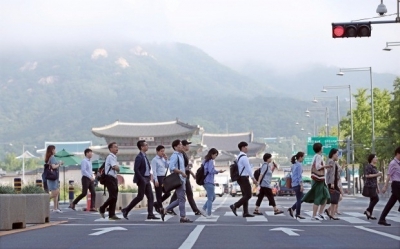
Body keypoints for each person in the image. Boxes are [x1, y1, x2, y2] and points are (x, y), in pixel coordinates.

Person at [122, 140, 159, 220]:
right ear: (142, 147)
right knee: (140, 197)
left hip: (147, 179)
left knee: (151, 197)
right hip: (142, 179)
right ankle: (126, 210)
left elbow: (146, 168)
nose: (147, 146)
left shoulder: (144, 156)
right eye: (146, 145)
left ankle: (150, 214)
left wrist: (149, 176)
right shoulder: (139, 157)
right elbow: (136, 169)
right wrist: (141, 179)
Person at [161, 139, 192, 223]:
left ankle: (165, 210)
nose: (182, 146)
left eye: (182, 144)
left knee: (181, 199)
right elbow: (171, 168)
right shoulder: (175, 155)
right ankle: (183, 217)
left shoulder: (180, 155)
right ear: (175, 147)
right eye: (180, 145)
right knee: (182, 199)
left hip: (182, 179)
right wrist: (181, 172)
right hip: (178, 179)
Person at [169, 140, 203, 216]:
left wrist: (190, 173)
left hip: (184, 176)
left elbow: (184, 166)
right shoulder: (177, 155)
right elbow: (173, 167)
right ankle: (188, 213)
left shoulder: (181, 155)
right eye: (187, 145)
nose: (188, 146)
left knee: (180, 196)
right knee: (185, 195)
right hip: (181, 177)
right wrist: (182, 173)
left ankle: (167, 209)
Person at [302, 143, 331, 220]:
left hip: (321, 179)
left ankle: (320, 213)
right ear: (320, 148)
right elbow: (318, 167)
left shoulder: (316, 156)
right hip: (318, 180)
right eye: (322, 147)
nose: (323, 148)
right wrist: (326, 166)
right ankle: (314, 215)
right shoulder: (318, 156)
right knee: (318, 197)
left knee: (326, 195)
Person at [230, 141, 258, 218]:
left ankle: (245, 212)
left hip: (240, 178)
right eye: (246, 147)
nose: (247, 148)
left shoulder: (238, 157)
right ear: (242, 148)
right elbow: (248, 168)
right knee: (249, 195)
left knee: (245, 195)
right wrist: (253, 178)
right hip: (244, 178)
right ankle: (235, 205)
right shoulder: (244, 157)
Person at [378, 146, 400, 226]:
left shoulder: (399, 163)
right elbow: (389, 175)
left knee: (390, 203)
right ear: (398, 154)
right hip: (396, 185)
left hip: (399, 185)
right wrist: (385, 186)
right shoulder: (393, 163)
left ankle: (382, 218)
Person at [99, 142, 121, 220]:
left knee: (114, 197)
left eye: (117, 147)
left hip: (113, 178)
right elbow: (115, 167)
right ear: (110, 149)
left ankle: (112, 214)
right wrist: (118, 168)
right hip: (109, 178)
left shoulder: (114, 157)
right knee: (113, 196)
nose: (116, 148)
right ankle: (102, 208)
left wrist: (117, 168)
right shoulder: (110, 157)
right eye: (115, 147)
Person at [203, 148, 225, 218]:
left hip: (205, 181)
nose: (215, 157)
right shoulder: (211, 161)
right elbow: (211, 170)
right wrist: (219, 171)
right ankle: (208, 214)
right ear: (212, 154)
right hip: (209, 181)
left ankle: (203, 208)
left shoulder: (205, 161)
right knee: (210, 198)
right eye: (215, 155)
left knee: (213, 197)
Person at [151, 145, 172, 214]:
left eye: (163, 151)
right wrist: (155, 180)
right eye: (161, 151)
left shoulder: (163, 159)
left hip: (164, 178)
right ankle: (160, 208)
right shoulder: (154, 160)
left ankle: (157, 203)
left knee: (168, 193)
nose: (163, 153)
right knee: (159, 194)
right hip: (158, 177)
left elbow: (167, 166)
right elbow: (154, 171)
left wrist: (166, 159)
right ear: (157, 151)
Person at [44, 145, 63, 213]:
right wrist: (59, 164)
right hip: (53, 178)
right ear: (52, 150)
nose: (55, 151)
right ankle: (44, 200)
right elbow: (53, 166)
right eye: (55, 149)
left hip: (52, 177)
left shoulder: (49, 157)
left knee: (56, 193)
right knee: (55, 192)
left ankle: (55, 207)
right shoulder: (52, 157)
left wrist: (58, 164)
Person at [363, 154, 382, 220]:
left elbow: (375, 178)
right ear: (372, 159)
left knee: (372, 200)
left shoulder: (374, 167)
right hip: (369, 185)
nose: (377, 159)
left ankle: (369, 213)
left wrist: (377, 187)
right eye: (375, 157)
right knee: (376, 199)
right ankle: (368, 210)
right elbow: (367, 175)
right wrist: (377, 174)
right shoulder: (369, 166)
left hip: (374, 185)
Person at [288, 151, 306, 219]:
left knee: (301, 198)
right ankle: (297, 213)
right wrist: (301, 185)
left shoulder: (294, 164)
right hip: (297, 184)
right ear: (300, 157)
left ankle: (292, 209)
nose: (303, 159)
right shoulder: (299, 165)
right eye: (303, 157)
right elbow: (299, 176)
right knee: (300, 199)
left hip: (294, 184)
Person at [324, 148, 341, 220]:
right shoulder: (331, 162)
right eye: (337, 154)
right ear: (333, 154)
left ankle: (330, 211)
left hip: (334, 182)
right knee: (335, 198)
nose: (338, 155)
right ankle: (332, 214)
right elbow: (331, 173)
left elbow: (337, 171)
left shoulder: (333, 162)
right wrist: (332, 183)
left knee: (337, 197)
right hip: (332, 182)